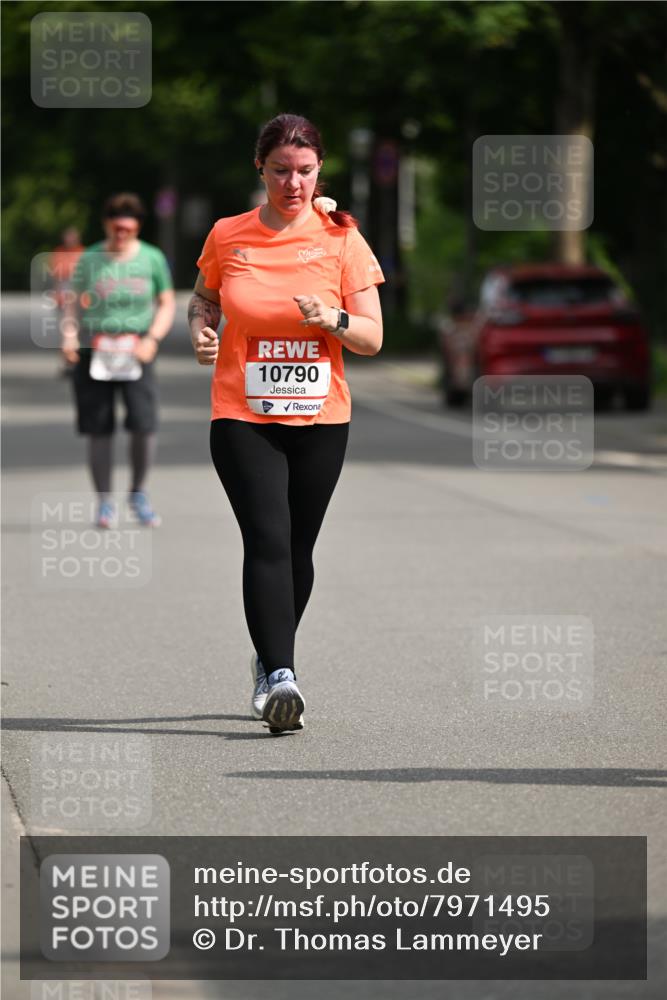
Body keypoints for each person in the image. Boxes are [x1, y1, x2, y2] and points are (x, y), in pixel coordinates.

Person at [188, 113, 385, 735]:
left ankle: (268, 658)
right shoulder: (229, 235)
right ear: (261, 169)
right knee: (268, 540)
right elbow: (204, 297)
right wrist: (201, 330)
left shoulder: (342, 239)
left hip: (322, 416)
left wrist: (332, 318)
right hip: (243, 414)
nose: (292, 184)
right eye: (280, 171)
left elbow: (374, 338)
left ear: (319, 170)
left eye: (304, 172)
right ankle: (280, 676)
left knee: (300, 550)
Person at [61, 193, 175, 529]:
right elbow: (72, 303)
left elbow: (166, 302)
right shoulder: (91, 258)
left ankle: (138, 492)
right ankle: (104, 501)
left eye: (128, 229)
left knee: (144, 423)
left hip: (136, 349)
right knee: (99, 427)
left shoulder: (152, 258)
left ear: (137, 227)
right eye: (116, 229)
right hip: (96, 348)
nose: (121, 235)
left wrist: (152, 338)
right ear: (106, 225)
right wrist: (68, 336)